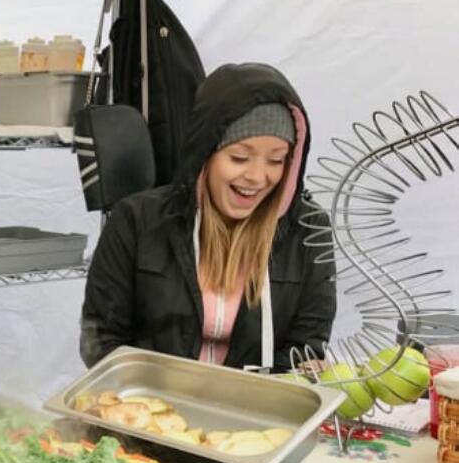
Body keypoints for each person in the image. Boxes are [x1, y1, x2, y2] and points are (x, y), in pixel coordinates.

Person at [80, 62, 336, 372]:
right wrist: (161, 407)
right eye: (239, 157)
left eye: (276, 160)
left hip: (258, 414)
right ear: (205, 155)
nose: (257, 177)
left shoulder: (308, 231)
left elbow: (305, 347)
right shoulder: (136, 221)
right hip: (151, 412)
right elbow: (102, 340)